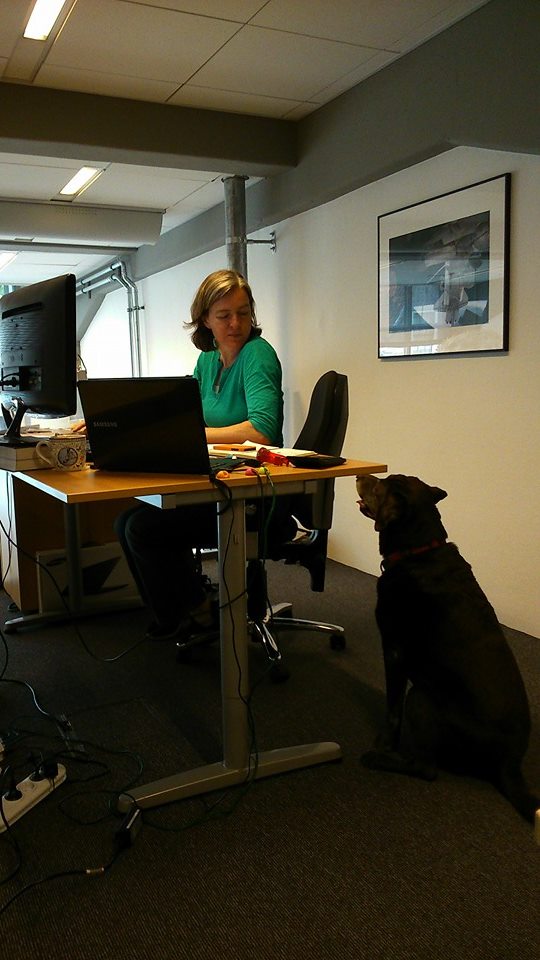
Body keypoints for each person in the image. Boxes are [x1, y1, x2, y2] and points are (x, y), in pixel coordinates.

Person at [114, 269, 295, 642]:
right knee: (126, 521)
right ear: (206, 320)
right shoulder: (208, 359)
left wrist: (194, 435)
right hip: (220, 485)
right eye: (224, 315)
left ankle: (193, 612)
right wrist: (120, 421)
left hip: (255, 498)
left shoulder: (257, 355)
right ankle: (182, 610)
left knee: (142, 528)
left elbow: (262, 430)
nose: (235, 323)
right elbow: (182, 413)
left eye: (243, 313)